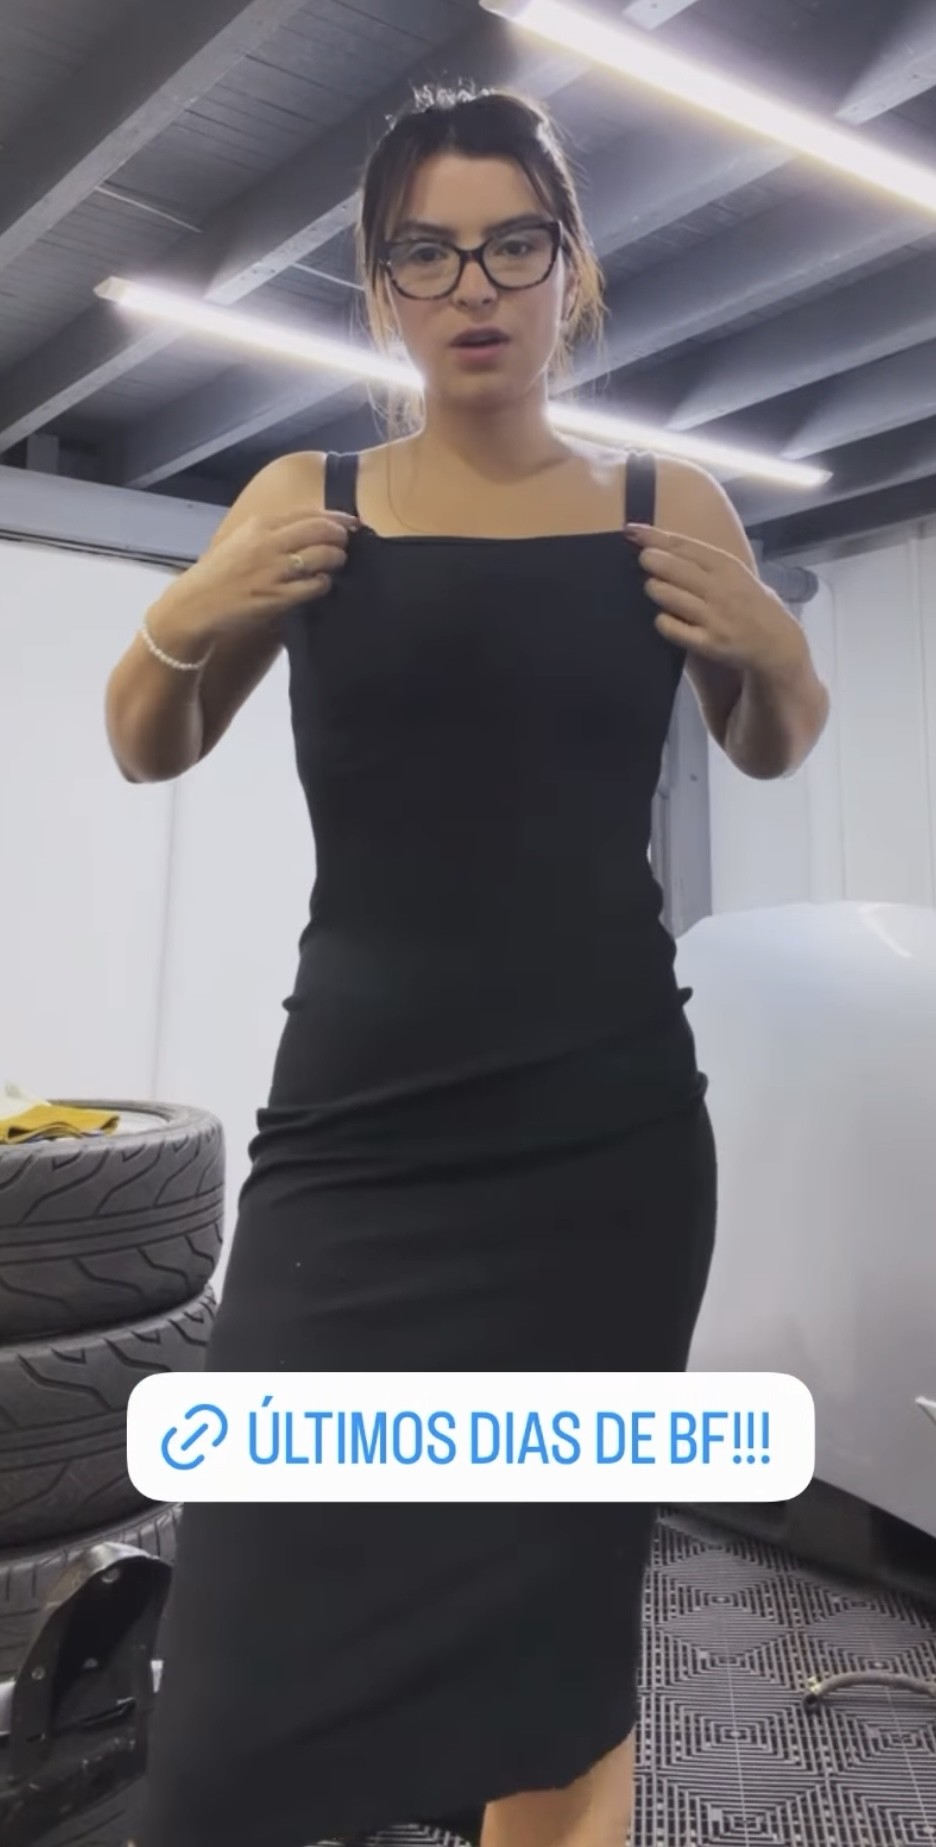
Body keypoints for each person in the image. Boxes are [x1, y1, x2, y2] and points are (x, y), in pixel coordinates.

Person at [108, 85, 829, 1847]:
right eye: (425, 254)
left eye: (514, 243)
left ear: (571, 269)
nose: (475, 286)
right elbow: (150, 741)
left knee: (552, 1642)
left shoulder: (668, 502)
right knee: (237, 1671)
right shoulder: (309, 497)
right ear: (380, 288)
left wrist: (776, 648)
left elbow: (769, 743)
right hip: (353, 1148)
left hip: (603, 1155)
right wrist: (184, 616)